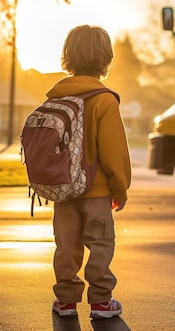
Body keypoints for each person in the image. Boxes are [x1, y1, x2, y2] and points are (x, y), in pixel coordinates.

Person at [49, 25, 131, 320]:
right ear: (105, 59)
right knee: (100, 245)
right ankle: (100, 302)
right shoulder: (104, 100)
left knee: (66, 246)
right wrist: (119, 189)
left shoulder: (55, 98)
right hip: (96, 192)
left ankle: (67, 302)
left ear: (68, 57)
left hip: (63, 190)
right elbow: (114, 154)